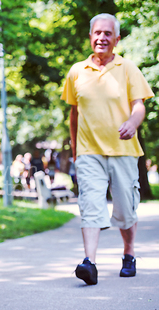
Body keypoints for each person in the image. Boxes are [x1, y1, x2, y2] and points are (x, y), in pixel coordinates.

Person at [61, 13, 154, 285]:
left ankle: (129, 253)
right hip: (90, 152)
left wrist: (133, 123)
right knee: (90, 204)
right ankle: (89, 263)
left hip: (123, 150)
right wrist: (75, 151)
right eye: (97, 33)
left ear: (117, 39)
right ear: (90, 37)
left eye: (107, 34)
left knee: (125, 209)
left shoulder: (128, 69)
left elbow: (139, 105)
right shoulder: (77, 71)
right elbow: (74, 115)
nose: (101, 38)